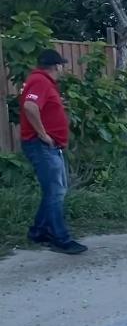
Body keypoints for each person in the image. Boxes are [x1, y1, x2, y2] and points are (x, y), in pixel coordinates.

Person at [18, 49, 87, 255]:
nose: (62, 68)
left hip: (48, 146)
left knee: (56, 190)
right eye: (61, 65)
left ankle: (39, 231)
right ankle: (60, 238)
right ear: (57, 66)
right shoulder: (40, 81)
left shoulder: (42, 82)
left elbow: (38, 106)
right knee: (56, 191)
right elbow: (30, 106)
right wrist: (43, 135)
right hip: (41, 145)